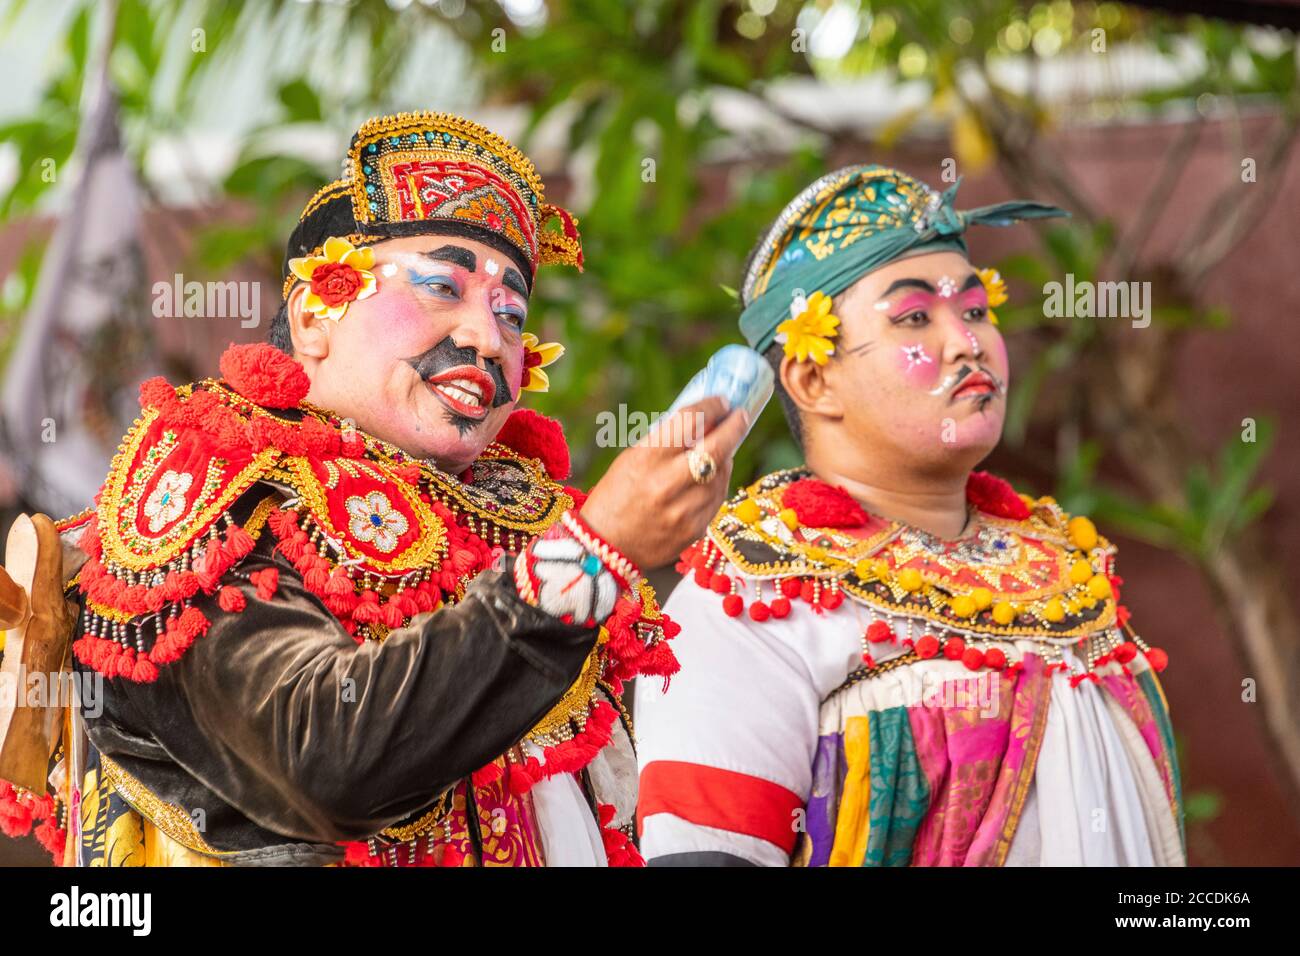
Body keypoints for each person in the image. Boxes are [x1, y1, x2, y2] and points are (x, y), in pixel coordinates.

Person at [0, 111, 748, 867]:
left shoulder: (517, 514)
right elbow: (323, 762)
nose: (488, 338)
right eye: (439, 287)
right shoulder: (220, 472)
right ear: (314, 313)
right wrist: (589, 560)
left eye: (511, 313)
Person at [635, 165, 1183, 867]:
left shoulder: (1066, 570)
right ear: (813, 378)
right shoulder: (754, 599)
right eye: (916, 317)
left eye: (978, 310)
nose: (968, 342)